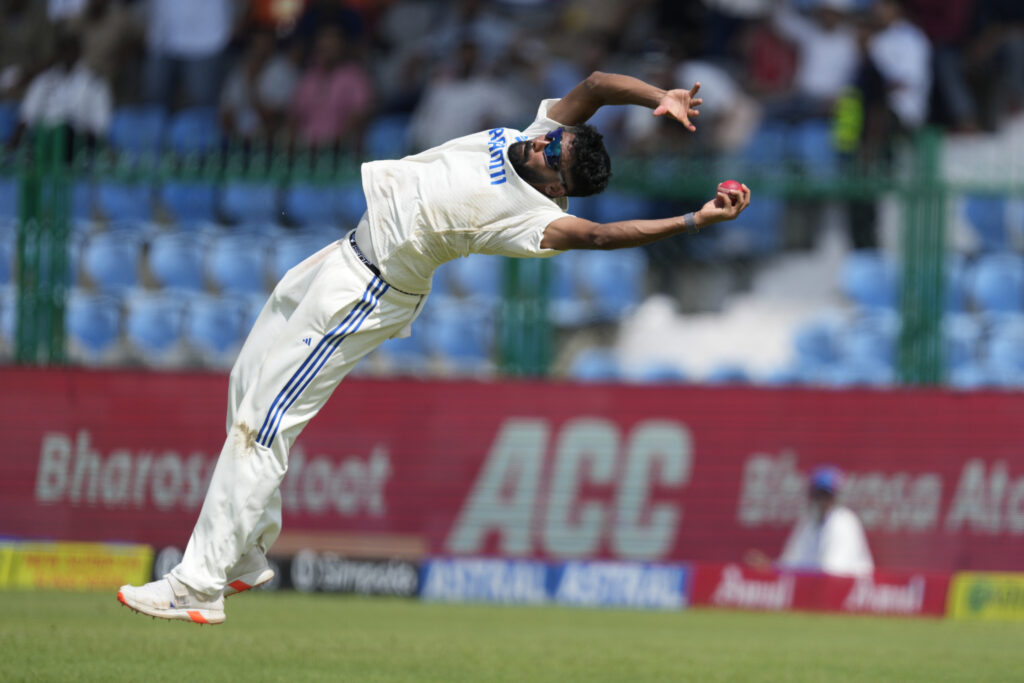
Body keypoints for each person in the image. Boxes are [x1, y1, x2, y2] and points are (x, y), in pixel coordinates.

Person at [116, 70, 752, 624]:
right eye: (557, 135)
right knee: (246, 384)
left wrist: (693, 220)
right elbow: (592, 88)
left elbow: (603, 237)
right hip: (339, 255)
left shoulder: (531, 219)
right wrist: (655, 98)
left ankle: (197, 585)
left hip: (365, 293)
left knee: (262, 428)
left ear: (557, 187)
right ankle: (247, 550)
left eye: (553, 151)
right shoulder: (533, 134)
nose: (545, 139)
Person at [746, 465, 874, 577]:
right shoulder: (808, 521)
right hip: (818, 591)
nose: (823, 501)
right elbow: (791, 563)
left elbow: (831, 570)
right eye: (819, 495)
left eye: (827, 495)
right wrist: (770, 567)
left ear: (835, 497)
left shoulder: (844, 521)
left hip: (854, 597)